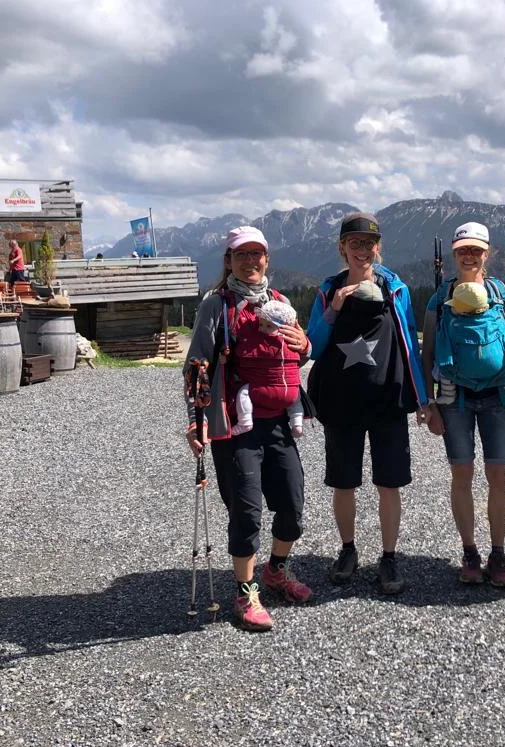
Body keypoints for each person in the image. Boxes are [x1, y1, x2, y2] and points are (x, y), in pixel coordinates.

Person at [183, 225, 313, 631]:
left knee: (292, 506)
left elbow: (299, 354)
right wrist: (195, 420)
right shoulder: (215, 306)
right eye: (242, 255)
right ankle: (245, 591)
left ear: (267, 260)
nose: (251, 261)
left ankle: (276, 569)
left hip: (279, 423)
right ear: (229, 261)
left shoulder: (280, 302)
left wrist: (304, 345)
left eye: (258, 254)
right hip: (237, 427)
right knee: (246, 511)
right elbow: (197, 366)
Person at [306, 211, 429, 595]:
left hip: (387, 400)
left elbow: (410, 343)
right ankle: (348, 550)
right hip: (342, 403)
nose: (363, 250)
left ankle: (389, 557)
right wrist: (335, 309)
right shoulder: (329, 290)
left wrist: (422, 399)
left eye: (369, 243)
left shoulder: (396, 289)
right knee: (344, 482)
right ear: (342, 248)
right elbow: (312, 344)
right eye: (355, 243)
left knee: (388, 482)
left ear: (379, 247)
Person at [421, 221, 505, 588]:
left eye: (476, 250)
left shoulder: (502, 295)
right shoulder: (439, 299)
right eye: (463, 250)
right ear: (454, 253)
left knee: (499, 477)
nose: (470, 255)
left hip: (499, 398)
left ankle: (497, 552)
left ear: (487, 253)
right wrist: (428, 403)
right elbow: (427, 355)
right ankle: (470, 551)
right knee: (462, 475)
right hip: (455, 401)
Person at [231, 299, 305, 438]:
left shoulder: (262, 342)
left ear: (283, 327)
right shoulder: (293, 343)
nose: (263, 329)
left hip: (263, 390)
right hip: (289, 390)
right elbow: (300, 359)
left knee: (243, 393)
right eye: (261, 324)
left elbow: (242, 353)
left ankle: (245, 421)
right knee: (296, 397)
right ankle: (297, 423)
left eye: (269, 326)